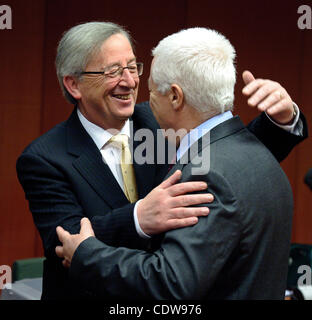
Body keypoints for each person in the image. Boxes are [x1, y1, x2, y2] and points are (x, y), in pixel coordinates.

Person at [17, 22, 307, 300]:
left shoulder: (160, 117)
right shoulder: (44, 158)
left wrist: (280, 121)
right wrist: (138, 219)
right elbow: (66, 242)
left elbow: (228, 158)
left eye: (133, 67)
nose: (130, 82)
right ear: (74, 85)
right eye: (113, 71)